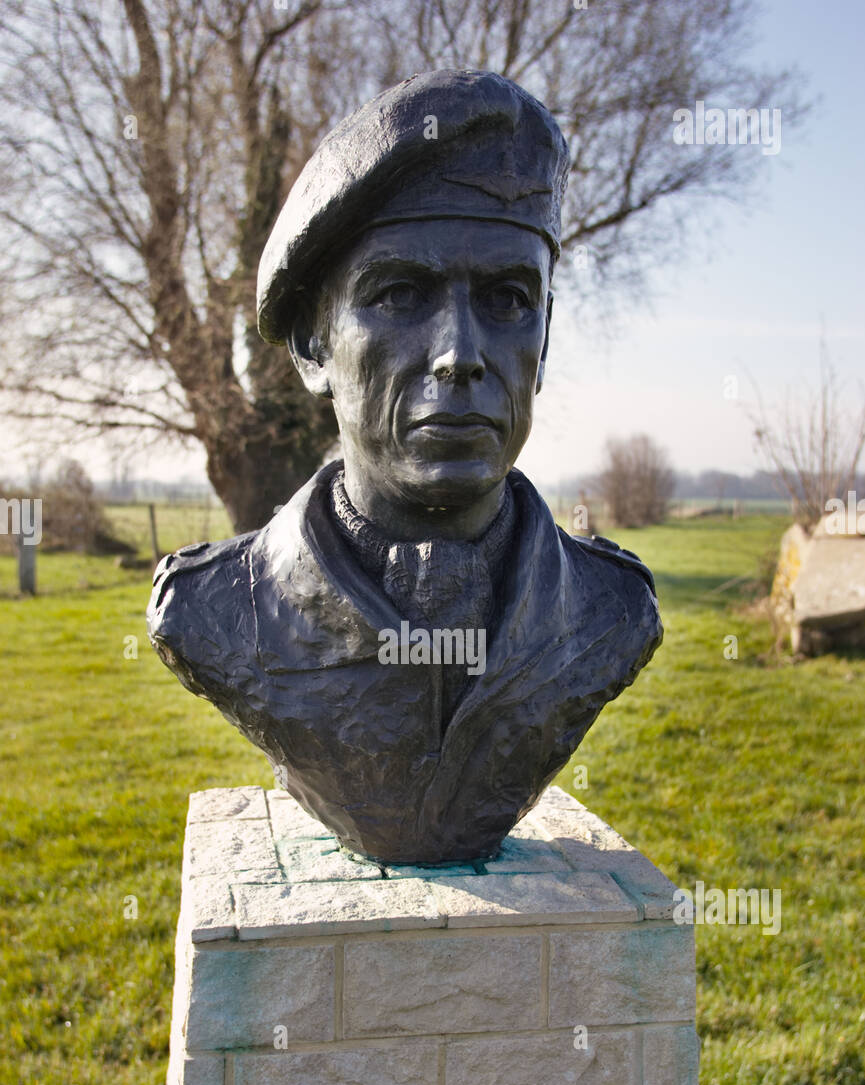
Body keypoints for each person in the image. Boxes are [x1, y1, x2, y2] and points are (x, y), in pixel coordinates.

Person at [147, 69, 662, 865]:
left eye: (506, 300)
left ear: (544, 340)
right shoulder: (210, 611)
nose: (459, 355)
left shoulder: (611, 610)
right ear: (315, 346)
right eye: (397, 296)